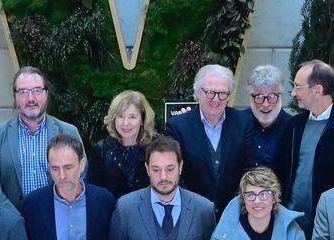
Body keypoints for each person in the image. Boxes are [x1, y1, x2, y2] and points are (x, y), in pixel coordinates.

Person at [274, 59, 334, 240]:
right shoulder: (293, 126)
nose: (294, 93)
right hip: (291, 222)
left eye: (298, 87)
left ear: (317, 90)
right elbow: (280, 170)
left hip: (332, 227)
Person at [0, 66, 84, 209]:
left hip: (57, 217)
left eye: (37, 90)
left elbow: (81, 174)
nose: (30, 98)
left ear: (47, 94)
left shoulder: (68, 132)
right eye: (23, 92)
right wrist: (13, 216)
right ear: (15, 96)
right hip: (15, 221)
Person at [165, 64, 257, 215]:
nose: (216, 99)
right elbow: (175, 175)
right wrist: (196, 208)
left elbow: (250, 168)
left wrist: (235, 206)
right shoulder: (177, 127)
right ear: (197, 92)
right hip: (191, 214)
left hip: (235, 214)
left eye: (222, 94)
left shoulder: (244, 122)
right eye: (210, 93)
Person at [87, 90, 156, 202]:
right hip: (112, 216)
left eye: (132, 117)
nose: (125, 123)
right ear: (114, 119)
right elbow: (93, 193)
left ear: (142, 120)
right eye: (120, 116)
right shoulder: (100, 150)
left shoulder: (155, 149)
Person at [237, 64, 293, 167]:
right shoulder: (236, 124)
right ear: (250, 97)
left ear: (281, 96)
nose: (266, 104)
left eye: (272, 97)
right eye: (259, 97)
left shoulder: (293, 128)